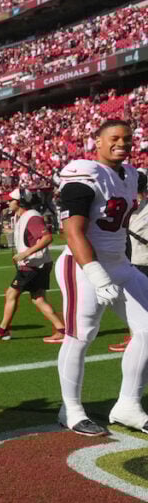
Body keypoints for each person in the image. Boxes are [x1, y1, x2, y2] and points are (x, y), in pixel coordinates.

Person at [55, 119, 148, 436]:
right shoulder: (84, 174)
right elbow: (73, 233)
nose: (121, 143)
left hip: (121, 264)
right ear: (96, 140)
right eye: (113, 138)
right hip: (82, 265)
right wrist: (95, 274)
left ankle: (127, 405)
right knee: (81, 335)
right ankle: (71, 408)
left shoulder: (131, 175)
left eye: (126, 139)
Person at [0, 189, 65, 343]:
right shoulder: (25, 217)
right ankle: (61, 330)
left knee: (12, 294)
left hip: (32, 264)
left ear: (20, 202)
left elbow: (47, 238)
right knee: (38, 299)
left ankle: (2, 330)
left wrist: (24, 254)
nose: (8, 202)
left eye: (11, 200)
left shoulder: (32, 217)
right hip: (37, 263)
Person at [108, 170, 148, 352]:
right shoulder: (128, 204)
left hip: (142, 260)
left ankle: (137, 338)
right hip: (132, 258)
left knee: (137, 301)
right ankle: (136, 336)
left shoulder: (136, 205)